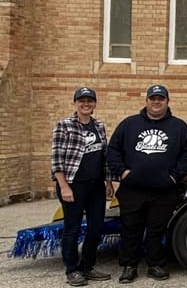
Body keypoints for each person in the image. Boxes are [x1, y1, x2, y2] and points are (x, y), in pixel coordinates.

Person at [106, 85, 187, 283]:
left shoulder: (178, 126)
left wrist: (174, 177)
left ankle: (155, 265)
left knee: (157, 229)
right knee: (130, 228)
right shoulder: (129, 124)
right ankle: (129, 266)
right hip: (132, 189)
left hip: (164, 190)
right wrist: (122, 172)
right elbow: (113, 150)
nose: (156, 102)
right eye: (153, 98)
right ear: (146, 101)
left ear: (167, 102)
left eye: (160, 99)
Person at [50, 87, 114, 286]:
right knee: (73, 228)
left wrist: (108, 181)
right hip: (73, 185)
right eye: (82, 101)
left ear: (94, 104)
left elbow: (104, 157)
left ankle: (87, 266)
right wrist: (64, 187)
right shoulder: (64, 126)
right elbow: (56, 160)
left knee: (96, 228)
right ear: (75, 103)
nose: (86, 104)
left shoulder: (99, 126)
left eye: (90, 101)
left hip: (95, 186)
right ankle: (72, 270)